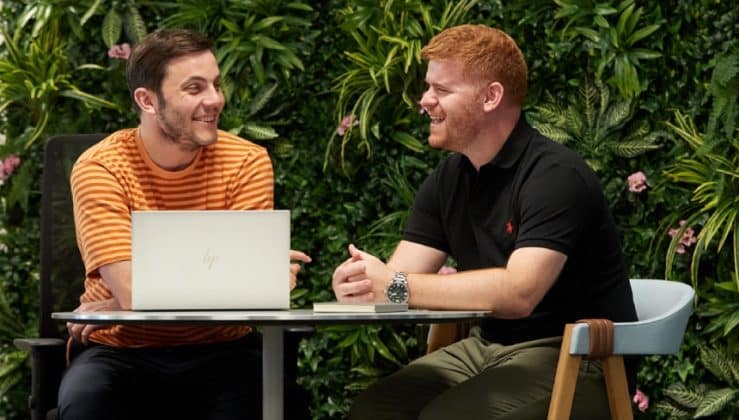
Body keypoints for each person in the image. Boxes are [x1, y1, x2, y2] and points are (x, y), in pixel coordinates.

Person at [331, 24, 638, 419]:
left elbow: (519, 293)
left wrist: (393, 285)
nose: (424, 100)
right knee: (373, 411)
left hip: (577, 357)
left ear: (491, 97)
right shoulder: (449, 178)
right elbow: (398, 278)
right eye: (427, 87)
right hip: (484, 348)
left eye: (442, 90)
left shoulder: (555, 176)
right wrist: (360, 284)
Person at [58, 29, 312, 420]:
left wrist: (123, 300)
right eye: (195, 88)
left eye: (216, 84)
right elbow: (132, 290)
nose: (215, 99)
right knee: (86, 403)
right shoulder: (100, 168)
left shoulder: (247, 162)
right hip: (120, 351)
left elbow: (253, 294)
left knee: (274, 403)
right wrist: (235, 277)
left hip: (222, 349)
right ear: (147, 100)